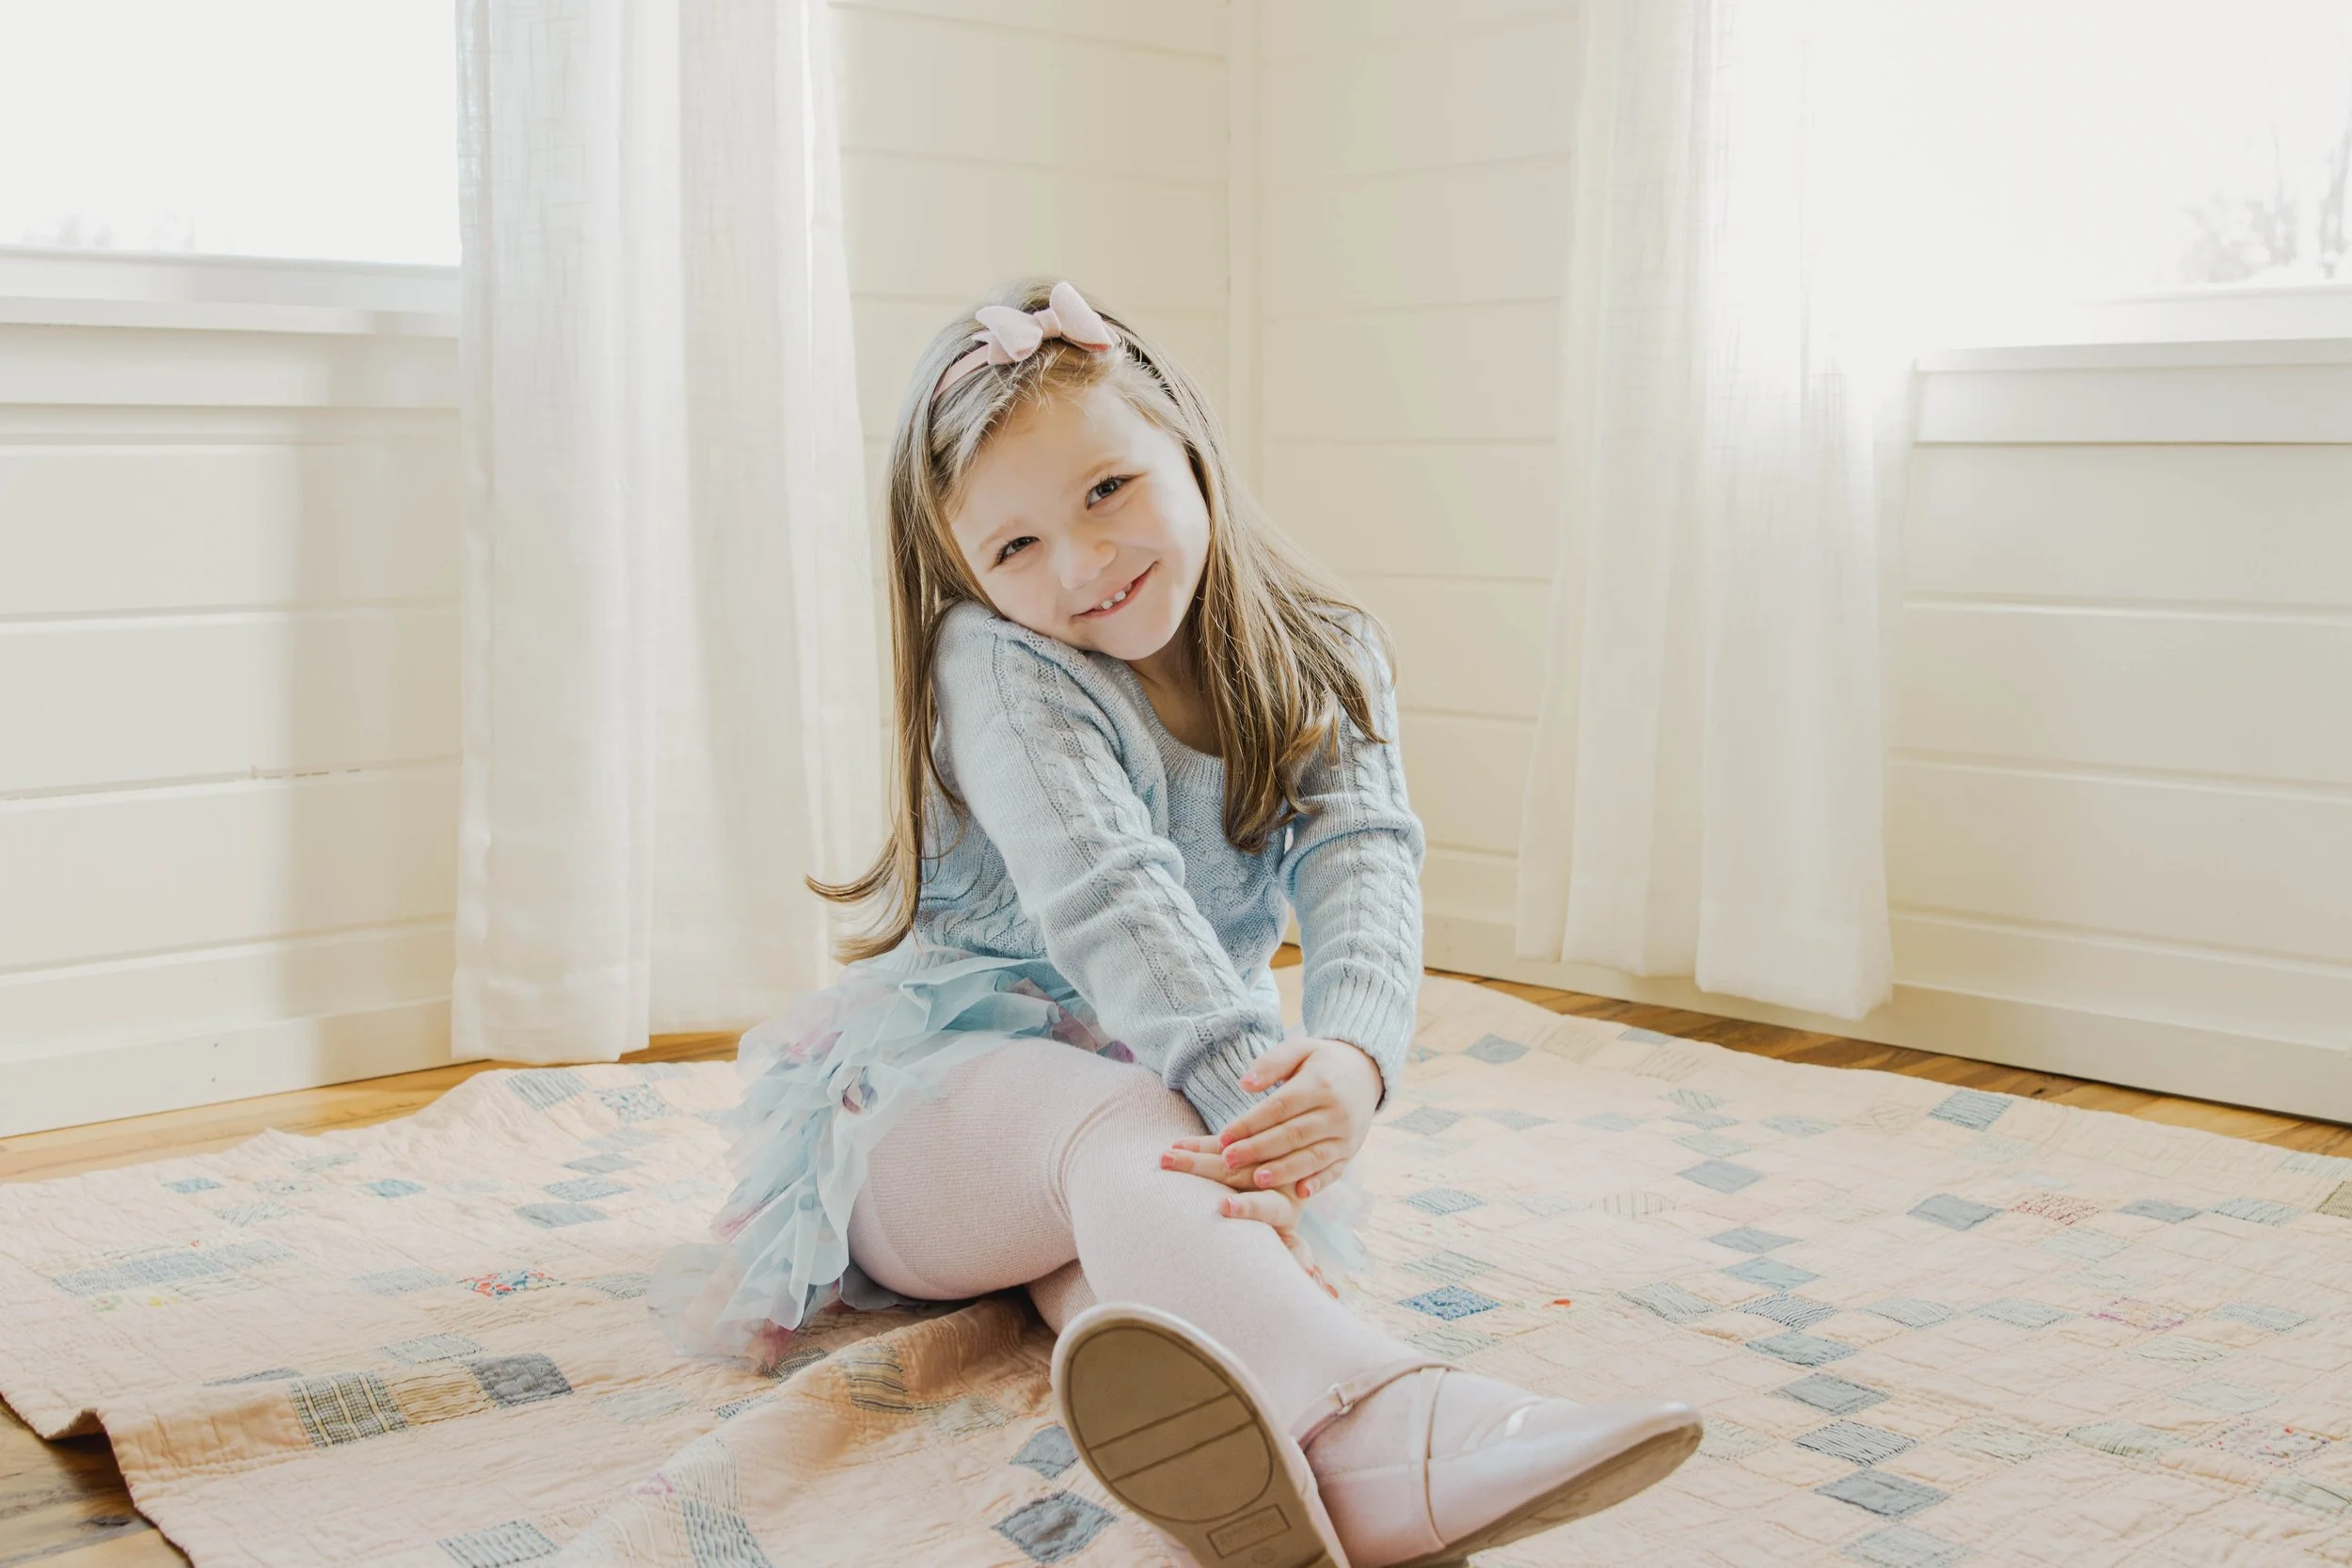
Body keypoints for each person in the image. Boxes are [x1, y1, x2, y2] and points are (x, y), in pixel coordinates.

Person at [649, 278, 1699, 1568]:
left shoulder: (1327, 647)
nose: (1083, 563)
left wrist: (1356, 1059)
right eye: (1014, 547)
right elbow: (1113, 895)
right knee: (1126, 1131)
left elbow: (1366, 854)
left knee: (1148, 1306)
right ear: (966, 578)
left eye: (1108, 491)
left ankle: (1319, 1478)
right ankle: (1400, 1412)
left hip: (1135, 1122)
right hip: (922, 1129)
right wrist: (1254, 1113)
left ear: (1188, 448)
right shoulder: (1000, 666)